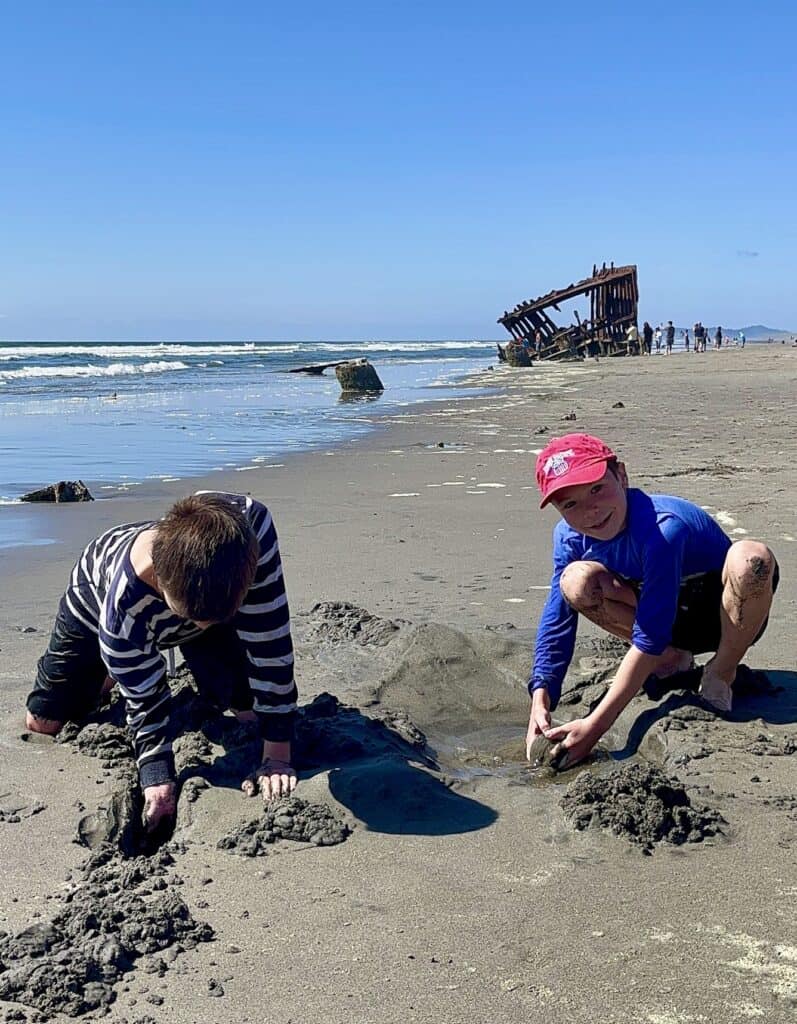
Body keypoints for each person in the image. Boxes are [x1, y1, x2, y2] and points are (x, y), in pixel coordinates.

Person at [25, 491, 298, 832]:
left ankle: (179, 648)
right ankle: (111, 670)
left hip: (211, 594)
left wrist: (277, 757)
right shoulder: (122, 610)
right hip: (93, 604)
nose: (200, 625)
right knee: (43, 723)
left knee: (251, 715)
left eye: (209, 621)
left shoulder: (253, 527)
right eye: (194, 619)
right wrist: (156, 776)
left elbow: (270, 639)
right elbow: (145, 703)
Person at [525, 434, 778, 768]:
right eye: (570, 504)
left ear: (622, 475)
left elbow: (651, 634)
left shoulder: (662, 529)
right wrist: (541, 694)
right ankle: (672, 659)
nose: (591, 511)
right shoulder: (569, 537)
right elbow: (557, 618)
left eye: (597, 488)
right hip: (661, 622)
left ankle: (721, 671)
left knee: (751, 559)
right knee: (573, 581)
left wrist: (595, 727)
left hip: (728, 617)